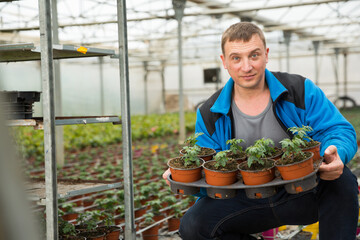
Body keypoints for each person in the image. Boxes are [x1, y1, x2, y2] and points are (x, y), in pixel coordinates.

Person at [163, 22, 359, 240]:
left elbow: (337, 128)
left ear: (266, 55)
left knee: (342, 182)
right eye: (236, 58)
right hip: (244, 201)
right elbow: (210, 175)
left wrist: (337, 151)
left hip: (302, 192)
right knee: (193, 225)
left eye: (254, 55)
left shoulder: (299, 90)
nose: (246, 67)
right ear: (224, 62)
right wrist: (184, 180)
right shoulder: (210, 112)